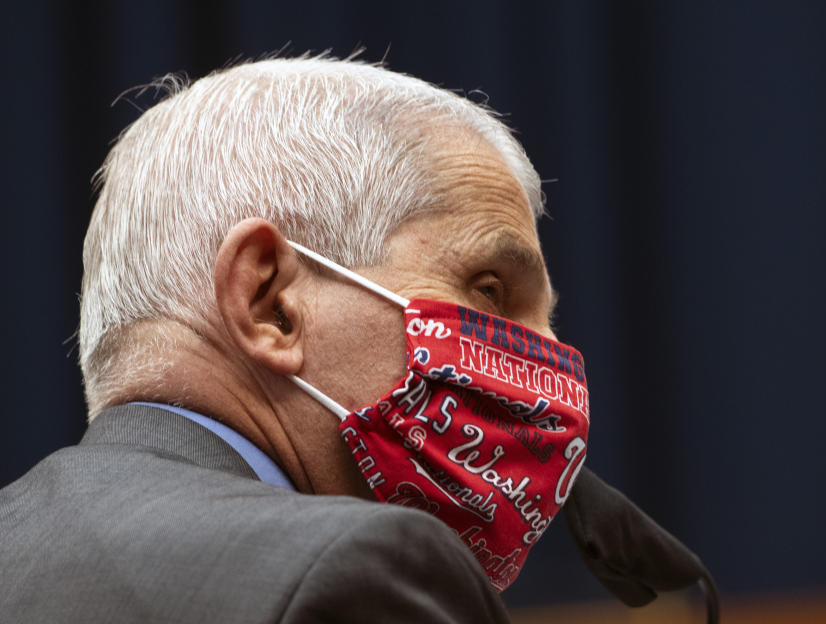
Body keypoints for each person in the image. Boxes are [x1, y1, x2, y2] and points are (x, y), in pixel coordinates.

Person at [0, 55, 589, 623]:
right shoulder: (362, 574)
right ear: (271, 305)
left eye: (546, 323)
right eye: (489, 291)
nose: (546, 372)